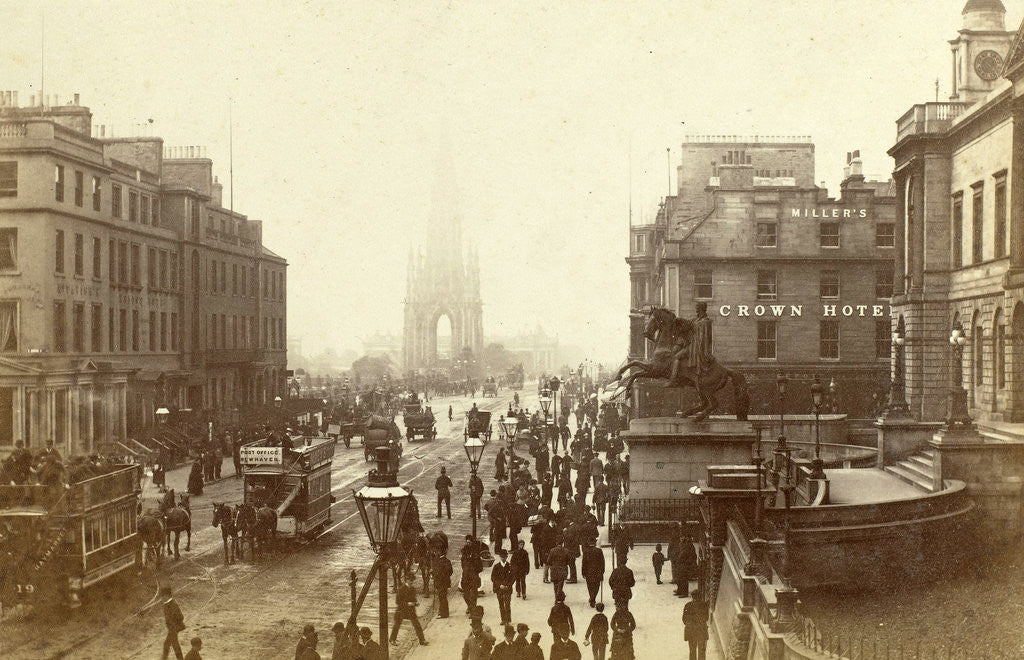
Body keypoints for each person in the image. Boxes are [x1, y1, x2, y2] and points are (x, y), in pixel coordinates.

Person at [390, 576, 428, 646]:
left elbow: (414, 598)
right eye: (410, 580)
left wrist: (416, 603)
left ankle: (422, 640)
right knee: (397, 625)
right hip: (401, 610)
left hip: (410, 610)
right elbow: (398, 602)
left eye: (412, 580)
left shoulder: (413, 589)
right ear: (406, 580)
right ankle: (392, 639)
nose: (411, 582)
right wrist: (408, 603)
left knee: (417, 625)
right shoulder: (401, 589)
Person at [682, 590, 709, 660]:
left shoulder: (688, 605)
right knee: (702, 651)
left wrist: (691, 624)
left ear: (692, 597)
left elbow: (684, 619)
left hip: (691, 631)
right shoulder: (704, 605)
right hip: (701, 630)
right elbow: (706, 618)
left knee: (692, 651)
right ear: (700, 597)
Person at [491, 549, 515, 626]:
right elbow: (493, 578)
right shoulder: (496, 567)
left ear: (507, 557)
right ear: (500, 557)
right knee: (501, 604)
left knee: (507, 604)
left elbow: (513, 577)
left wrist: (508, 585)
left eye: (504, 557)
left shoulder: (510, 566)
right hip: (499, 589)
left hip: (507, 588)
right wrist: (499, 585)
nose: (503, 558)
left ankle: (508, 620)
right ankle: (503, 619)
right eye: (502, 557)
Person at [161, 586, 186, 660]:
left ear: (167, 595)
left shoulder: (173, 604)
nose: (162, 598)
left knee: (172, 644)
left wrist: (174, 625)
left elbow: (181, 616)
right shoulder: (166, 604)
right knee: (168, 644)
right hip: (171, 628)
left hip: (174, 628)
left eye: (163, 596)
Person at [581, 540, 605, 608]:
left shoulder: (585, 551)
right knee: (597, 586)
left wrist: (583, 572)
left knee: (590, 586)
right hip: (597, 572)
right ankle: (593, 598)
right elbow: (602, 562)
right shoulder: (599, 551)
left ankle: (592, 598)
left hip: (589, 572)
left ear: (589, 543)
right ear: (595, 543)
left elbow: (584, 563)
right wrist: (602, 572)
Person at [434, 550, 454, 618]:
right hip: (444, 582)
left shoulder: (441, 561)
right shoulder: (446, 561)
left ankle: (443, 613)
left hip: (441, 582)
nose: (436, 553)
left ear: (440, 552)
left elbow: (447, 571)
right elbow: (450, 572)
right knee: (442, 597)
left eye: (437, 552)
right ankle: (443, 612)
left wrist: (438, 575)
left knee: (442, 597)